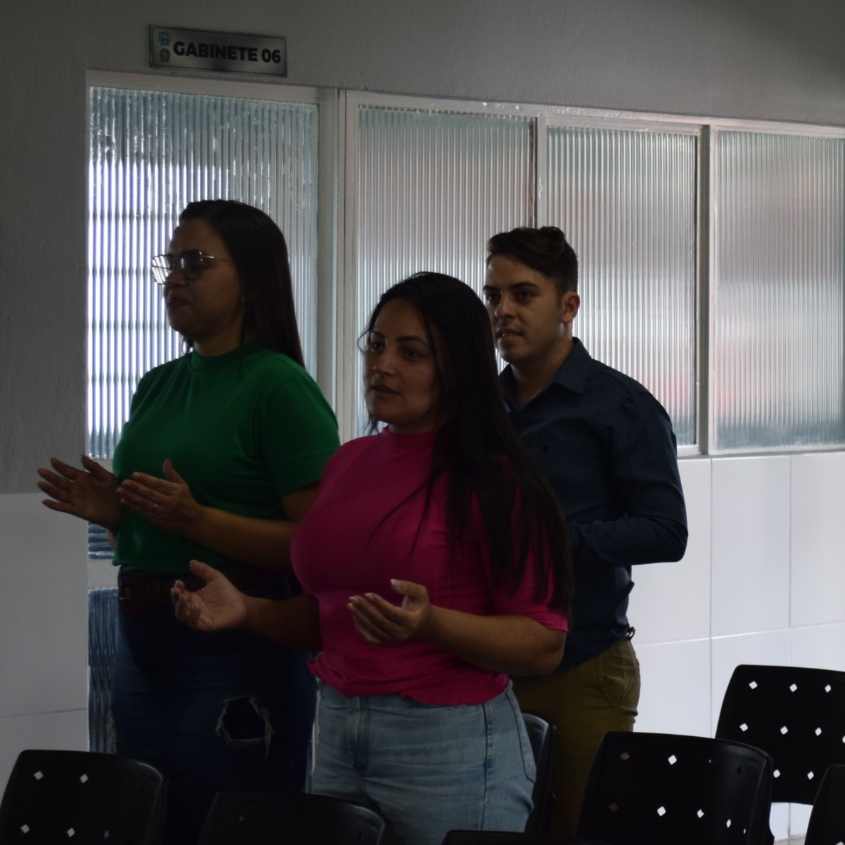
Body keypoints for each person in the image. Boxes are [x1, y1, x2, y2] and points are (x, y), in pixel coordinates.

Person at [173, 271, 573, 845]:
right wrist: (248, 610)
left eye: (411, 353)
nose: (382, 365)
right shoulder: (349, 463)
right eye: (377, 344)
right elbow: (333, 618)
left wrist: (431, 623)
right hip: (339, 727)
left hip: (447, 743)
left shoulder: (496, 481)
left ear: (456, 371)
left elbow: (543, 643)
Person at [36, 199, 339, 845]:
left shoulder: (278, 386)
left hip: (232, 644)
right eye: (168, 263)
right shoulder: (157, 384)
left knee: (226, 825)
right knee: (147, 821)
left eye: (195, 262)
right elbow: (149, 534)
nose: (174, 278)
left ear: (251, 280)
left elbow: (321, 548)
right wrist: (116, 516)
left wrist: (197, 520)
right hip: (142, 637)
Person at [483, 225, 688, 837]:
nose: (503, 311)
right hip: (488, 662)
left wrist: (557, 543)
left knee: (577, 832)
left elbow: (666, 532)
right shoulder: (482, 408)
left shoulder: (620, 405)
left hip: (582, 666)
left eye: (523, 295)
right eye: (494, 296)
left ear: (568, 305)